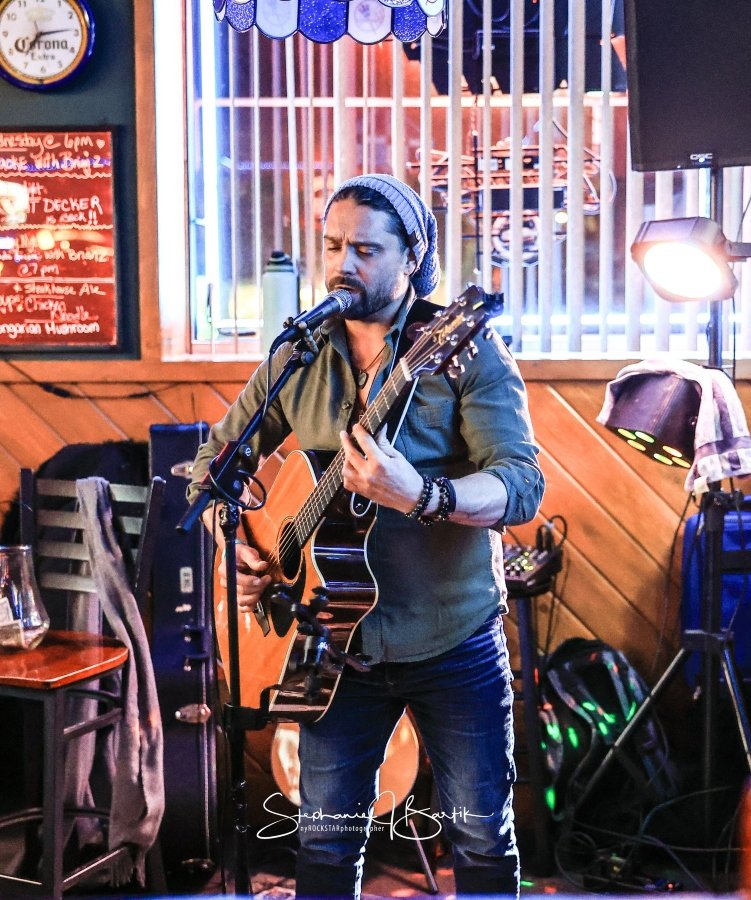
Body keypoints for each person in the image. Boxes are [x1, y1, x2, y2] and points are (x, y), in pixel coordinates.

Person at [188, 173, 545, 898]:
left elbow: (520, 485)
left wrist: (426, 495)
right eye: (332, 245)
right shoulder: (298, 355)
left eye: (365, 249)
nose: (342, 264)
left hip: (452, 638)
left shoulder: (465, 351)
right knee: (324, 842)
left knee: (480, 835)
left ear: (412, 256)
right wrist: (241, 542)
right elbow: (212, 466)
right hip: (331, 642)